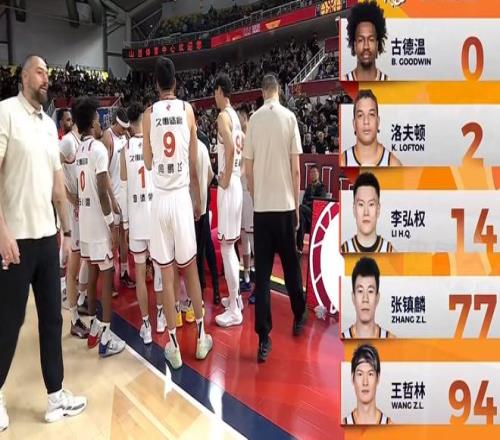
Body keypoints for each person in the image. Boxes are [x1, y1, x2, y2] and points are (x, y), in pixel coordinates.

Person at [0, 55, 86, 431]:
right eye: (39, 72)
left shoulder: (50, 126)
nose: (45, 78)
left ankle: (55, 395)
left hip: (47, 238)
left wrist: (65, 232)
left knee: (52, 319)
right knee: (9, 321)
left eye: (48, 74)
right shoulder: (5, 113)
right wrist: (1, 232)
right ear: (23, 77)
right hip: (15, 239)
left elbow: (57, 186)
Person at [143, 56, 212, 370]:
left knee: (166, 275)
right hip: (182, 198)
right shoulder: (187, 110)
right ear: (175, 82)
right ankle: (201, 337)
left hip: (159, 201)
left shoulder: (148, 115)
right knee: (191, 270)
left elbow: (147, 162)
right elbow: (194, 163)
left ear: (156, 84)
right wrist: (198, 199)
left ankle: (172, 345)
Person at [244, 74, 307, 363]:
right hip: (284, 206)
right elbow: (296, 169)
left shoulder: (254, 121)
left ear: (262, 91)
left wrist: (257, 196)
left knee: (262, 275)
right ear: (278, 91)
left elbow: (248, 170)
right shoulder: (289, 118)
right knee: (292, 266)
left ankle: (263, 339)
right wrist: (295, 207)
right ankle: (299, 314)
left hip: (262, 210)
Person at [73, 96, 126, 357]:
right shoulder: (98, 149)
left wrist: (112, 202)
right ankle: (106, 336)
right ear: (93, 122)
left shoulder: (79, 151)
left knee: (93, 270)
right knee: (107, 275)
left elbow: (92, 189)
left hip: (85, 223)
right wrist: (111, 224)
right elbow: (103, 192)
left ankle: (94, 326)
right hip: (98, 222)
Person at [120, 102, 166, 344]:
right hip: (154, 217)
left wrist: (126, 224)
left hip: (136, 220)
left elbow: (123, 191)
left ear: (129, 123)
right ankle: (161, 316)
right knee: (159, 269)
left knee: (139, 274)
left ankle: (146, 325)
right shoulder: (153, 144)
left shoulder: (124, 150)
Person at [213, 73, 244, 328]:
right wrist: (234, 175)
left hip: (229, 184)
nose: (214, 96)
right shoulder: (236, 117)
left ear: (220, 91)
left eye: (215, 91)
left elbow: (231, 150)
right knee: (230, 245)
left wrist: (224, 178)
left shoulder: (223, 116)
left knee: (226, 247)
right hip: (236, 183)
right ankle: (237, 300)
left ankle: (234, 309)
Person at [59, 107, 90, 338]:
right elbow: (55, 171)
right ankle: (73, 318)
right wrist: (69, 196)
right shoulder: (68, 142)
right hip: (73, 210)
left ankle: (79, 298)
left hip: (83, 209)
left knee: (85, 258)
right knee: (74, 263)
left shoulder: (81, 141)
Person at [102, 108, 135, 291]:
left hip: (124, 194)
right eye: (122, 129)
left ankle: (123, 273)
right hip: (112, 195)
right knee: (112, 239)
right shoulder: (107, 138)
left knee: (124, 236)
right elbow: (103, 171)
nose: (124, 132)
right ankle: (110, 277)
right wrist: (110, 198)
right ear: (115, 124)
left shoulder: (126, 136)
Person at [341, 90, 401, 167]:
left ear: (378, 122)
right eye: (360, 115)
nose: (366, 121)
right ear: (354, 124)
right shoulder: (343, 161)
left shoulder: (393, 164)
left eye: (371, 114)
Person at [342, 257, 395, 339]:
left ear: (377, 298)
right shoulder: (341, 342)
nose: (365, 299)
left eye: (370, 291)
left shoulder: (391, 341)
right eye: (360, 291)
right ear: (353, 297)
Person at [341, 172, 393, 253]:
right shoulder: (342, 253)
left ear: (378, 209)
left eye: (371, 204)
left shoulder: (390, 252)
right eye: (361, 204)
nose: (366, 212)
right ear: (354, 209)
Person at [343, 344, 392, 425]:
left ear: (378, 378)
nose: (365, 382)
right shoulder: (344, 426)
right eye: (360, 374)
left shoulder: (389, 426)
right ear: (352, 378)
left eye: (370, 374)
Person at [343, 0, 388, 81]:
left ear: (377, 45)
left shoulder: (388, 82)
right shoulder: (344, 81)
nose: (366, 46)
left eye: (371, 40)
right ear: (355, 46)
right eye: (360, 40)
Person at [236, 104, 254, 298]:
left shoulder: (251, 138)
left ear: (244, 117)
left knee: (252, 237)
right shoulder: (238, 137)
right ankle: (246, 275)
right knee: (244, 237)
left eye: (239, 116)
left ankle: (256, 281)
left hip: (249, 191)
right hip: (239, 191)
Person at [297, 165, 327, 253]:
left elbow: (320, 202)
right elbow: (304, 200)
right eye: (311, 172)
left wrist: (309, 202)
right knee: (301, 220)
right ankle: (299, 248)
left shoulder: (322, 188)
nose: (313, 174)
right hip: (306, 214)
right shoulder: (308, 188)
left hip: (316, 214)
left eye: (315, 172)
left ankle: (299, 247)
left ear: (318, 174)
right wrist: (310, 202)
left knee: (300, 207)